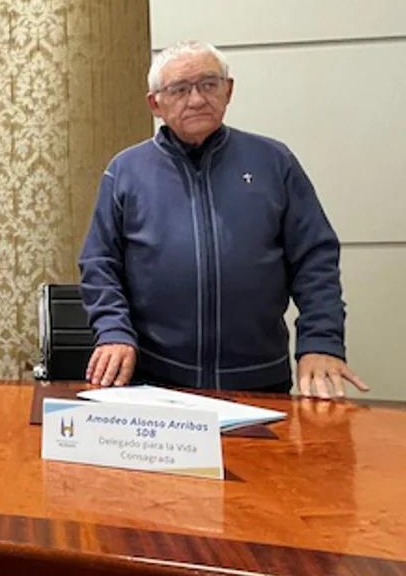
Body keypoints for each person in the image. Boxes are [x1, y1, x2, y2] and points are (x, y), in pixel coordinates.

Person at [78, 40, 367, 398]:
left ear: (228, 91)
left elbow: (315, 259)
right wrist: (113, 332)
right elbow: (99, 263)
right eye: (180, 89)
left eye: (209, 84)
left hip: (259, 379)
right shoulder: (126, 171)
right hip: (156, 380)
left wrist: (320, 343)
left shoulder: (274, 162)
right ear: (155, 104)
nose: (197, 99)